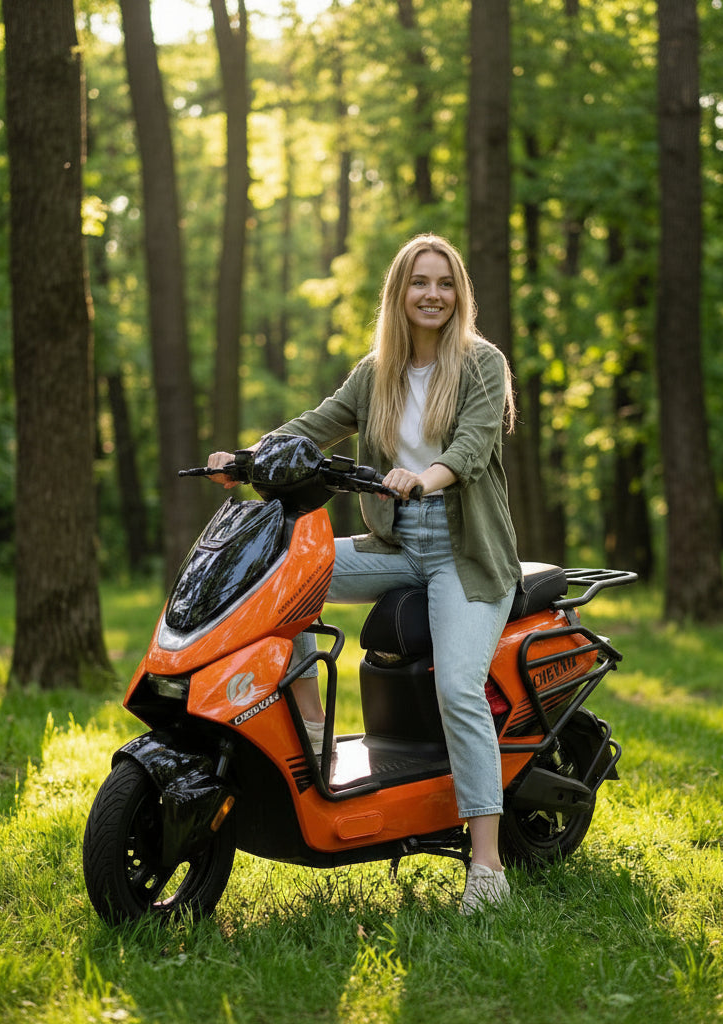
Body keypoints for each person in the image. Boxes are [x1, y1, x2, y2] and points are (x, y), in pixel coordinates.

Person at [207, 234, 522, 914]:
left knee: (460, 691)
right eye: (419, 282)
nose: (432, 294)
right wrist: (247, 456)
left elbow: (470, 448)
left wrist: (423, 477)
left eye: (444, 283)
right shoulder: (376, 371)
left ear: (458, 293)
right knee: (280, 582)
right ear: (399, 294)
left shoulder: (482, 364)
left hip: (466, 552)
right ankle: (313, 731)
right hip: (394, 541)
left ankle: (488, 866)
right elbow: (313, 427)